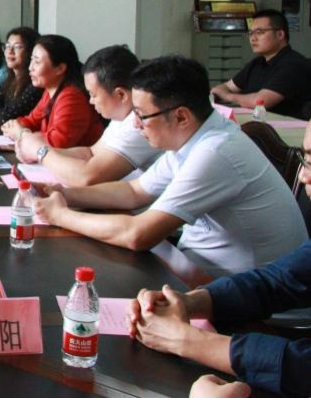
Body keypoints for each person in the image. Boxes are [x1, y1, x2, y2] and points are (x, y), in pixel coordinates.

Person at [34, 56, 307, 278]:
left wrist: (60, 216)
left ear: (181, 117)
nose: (136, 124)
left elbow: (138, 234)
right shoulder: (194, 138)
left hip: (246, 302)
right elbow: (134, 191)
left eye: (141, 115)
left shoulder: (215, 152)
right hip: (198, 272)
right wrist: (65, 194)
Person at [128, 119, 311, 397]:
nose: (304, 176)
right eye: (306, 160)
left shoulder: (219, 149)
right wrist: (190, 302)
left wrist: (188, 341)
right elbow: (279, 280)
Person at [16, 45, 162, 186]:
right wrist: (35, 151)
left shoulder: (138, 124)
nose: (90, 101)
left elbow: (87, 177)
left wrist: (40, 151)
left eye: (93, 95)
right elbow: (91, 152)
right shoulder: (122, 115)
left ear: (121, 95)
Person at [2, 34, 103, 149]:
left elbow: (57, 144)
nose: (30, 68)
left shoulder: (73, 98)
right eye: (31, 60)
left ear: (60, 68)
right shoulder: (50, 91)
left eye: (37, 62)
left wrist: (21, 134)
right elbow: (31, 121)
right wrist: (14, 126)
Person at [212, 8, 310, 119]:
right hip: (259, 123)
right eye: (250, 33)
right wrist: (221, 93)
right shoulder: (257, 63)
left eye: (259, 32)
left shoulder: (294, 64)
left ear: (280, 34)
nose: (253, 38)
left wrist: (227, 96)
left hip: (290, 127)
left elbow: (260, 102)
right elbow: (226, 86)